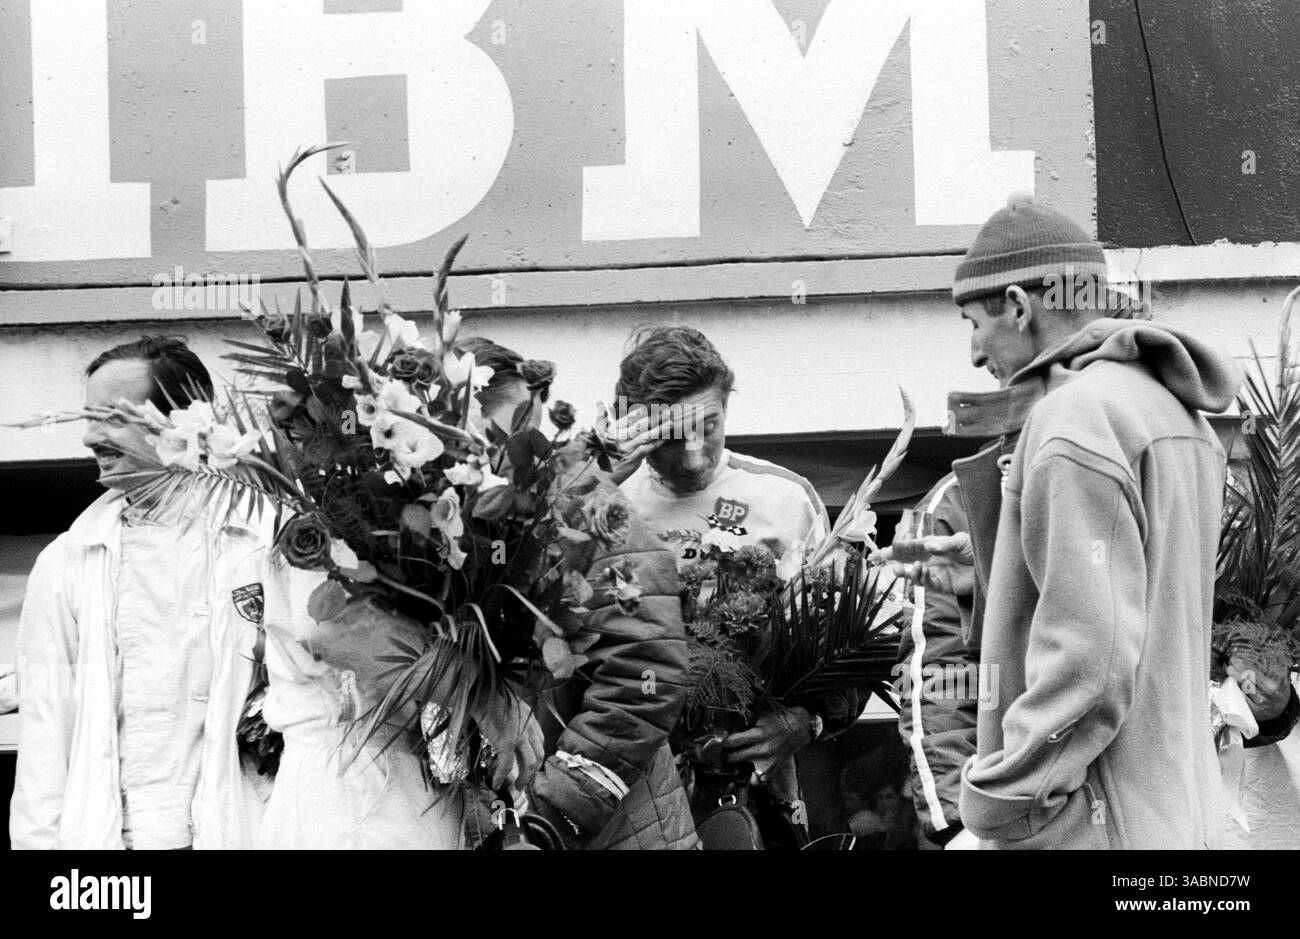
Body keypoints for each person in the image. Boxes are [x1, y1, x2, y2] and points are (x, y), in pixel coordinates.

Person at [893, 196, 1241, 849]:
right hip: (1181, 820)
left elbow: (1090, 658)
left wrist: (998, 803)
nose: (973, 352)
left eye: (973, 322)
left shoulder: (1072, 420)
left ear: (1020, 306)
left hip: (1097, 825)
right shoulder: (1174, 412)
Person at [10, 336, 269, 850]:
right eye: (88, 417)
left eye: (111, 416)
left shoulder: (265, 541)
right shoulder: (67, 562)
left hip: (244, 830)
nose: (89, 437)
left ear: (181, 423)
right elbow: (45, 727)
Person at [612, 326, 861, 841]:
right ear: (635, 423)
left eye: (710, 424)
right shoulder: (605, 503)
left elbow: (854, 648)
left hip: (751, 801)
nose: (694, 454)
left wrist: (804, 721)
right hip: (627, 797)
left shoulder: (784, 499)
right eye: (674, 435)